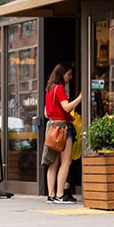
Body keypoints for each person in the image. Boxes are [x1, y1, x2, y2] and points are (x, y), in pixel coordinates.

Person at [42, 62, 83, 204]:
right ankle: (60, 194)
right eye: (69, 74)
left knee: (53, 164)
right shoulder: (59, 88)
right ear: (62, 74)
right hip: (63, 129)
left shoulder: (49, 89)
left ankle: (51, 195)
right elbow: (66, 107)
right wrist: (80, 98)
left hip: (52, 127)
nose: (70, 77)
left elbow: (47, 113)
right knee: (66, 162)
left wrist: (63, 116)